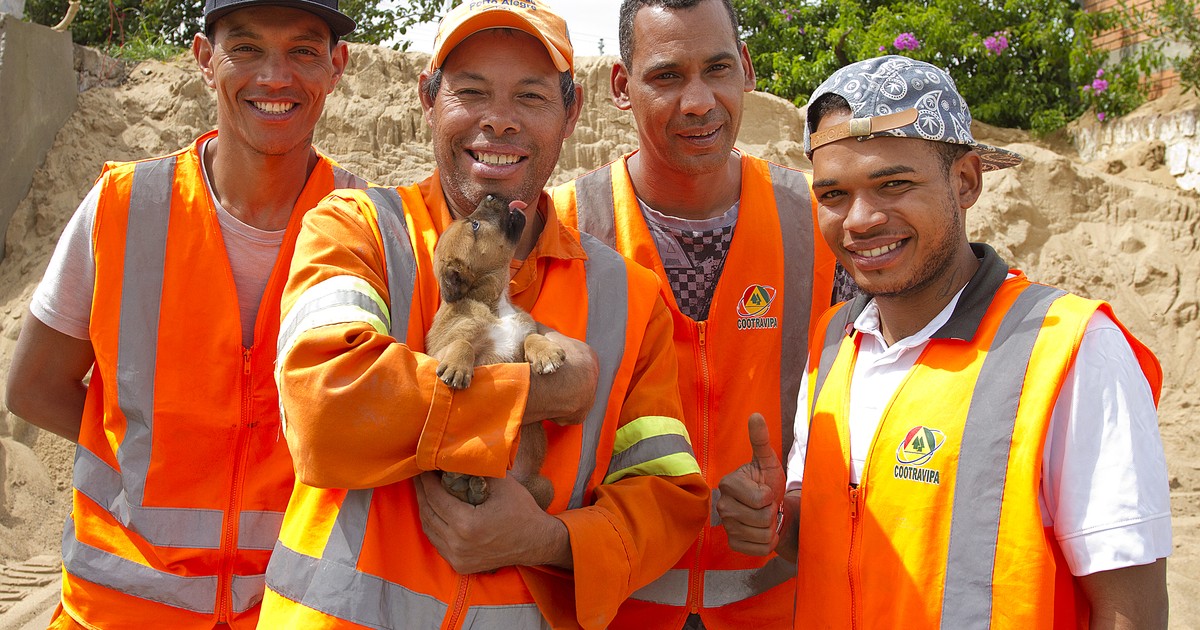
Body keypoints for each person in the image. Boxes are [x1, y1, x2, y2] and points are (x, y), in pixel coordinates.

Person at [256, 2, 710, 628]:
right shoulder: (356, 231)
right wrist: (532, 393)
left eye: (530, 96)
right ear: (428, 98)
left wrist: (546, 541)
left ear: (571, 113)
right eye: (471, 91)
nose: (499, 121)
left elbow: (665, 498)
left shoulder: (629, 299)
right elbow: (323, 409)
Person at [716, 54, 1173, 628]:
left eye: (894, 184)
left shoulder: (1071, 351)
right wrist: (774, 519)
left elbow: (1130, 606)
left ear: (965, 182)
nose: (859, 220)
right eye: (833, 195)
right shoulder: (836, 342)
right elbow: (826, 535)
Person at [2, 1, 363, 627]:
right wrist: (145, 461)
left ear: (337, 66)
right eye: (245, 48)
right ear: (203, 59)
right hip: (121, 611)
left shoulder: (370, 229)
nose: (275, 77)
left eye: (303, 51)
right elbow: (33, 387)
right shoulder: (122, 209)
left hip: (290, 609)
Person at [550, 1, 836, 627]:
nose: (700, 101)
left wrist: (788, 505)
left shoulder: (816, 224)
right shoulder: (567, 228)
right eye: (667, 75)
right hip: (610, 603)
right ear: (622, 87)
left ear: (747, 71)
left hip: (773, 604)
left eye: (717, 68)